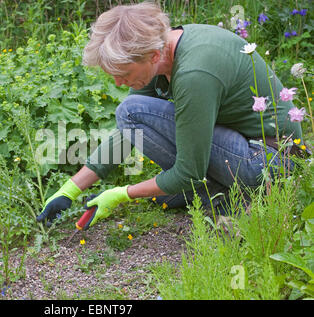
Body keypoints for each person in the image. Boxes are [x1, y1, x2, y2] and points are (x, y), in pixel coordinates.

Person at [36, 2, 305, 229]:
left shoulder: (194, 73)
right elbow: (126, 134)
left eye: (123, 74)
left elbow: (187, 170)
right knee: (165, 196)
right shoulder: (163, 52)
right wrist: (69, 191)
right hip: (244, 149)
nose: (119, 83)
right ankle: (230, 194)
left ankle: (250, 194)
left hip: (271, 161)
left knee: (132, 113)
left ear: (152, 55)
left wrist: (121, 194)